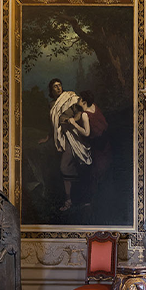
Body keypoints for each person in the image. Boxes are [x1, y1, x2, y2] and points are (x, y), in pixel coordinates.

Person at [42, 79, 90, 211]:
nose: (58, 88)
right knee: (66, 168)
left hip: (73, 135)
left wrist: (73, 120)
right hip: (60, 137)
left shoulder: (70, 98)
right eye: (55, 87)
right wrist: (48, 137)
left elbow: (80, 112)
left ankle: (76, 199)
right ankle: (72, 200)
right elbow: (51, 123)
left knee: (67, 167)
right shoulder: (52, 104)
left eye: (59, 85)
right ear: (51, 91)